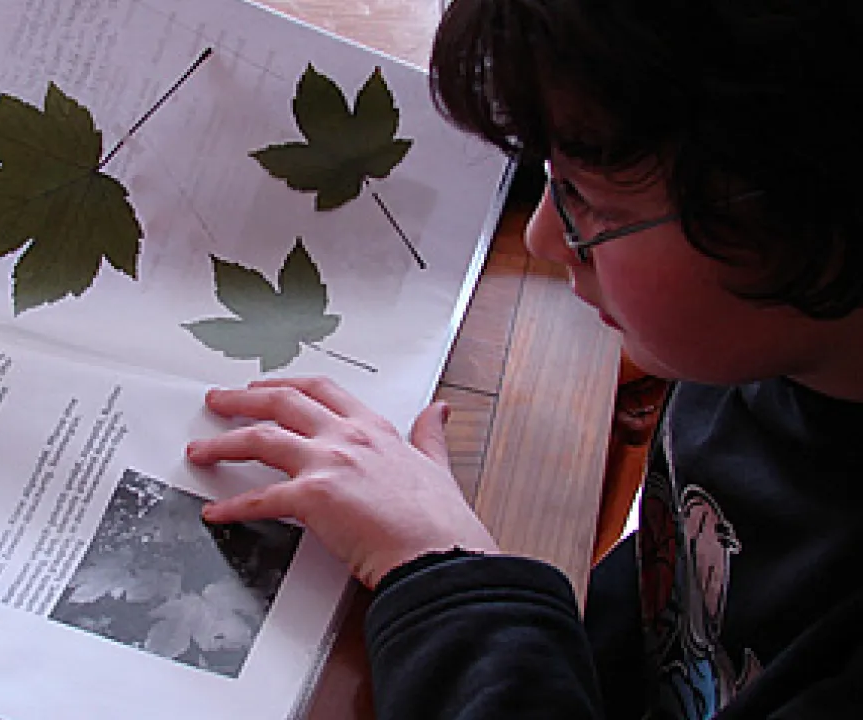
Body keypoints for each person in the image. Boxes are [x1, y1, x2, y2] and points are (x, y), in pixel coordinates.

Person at [185, 0, 863, 717]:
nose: (545, 237)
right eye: (554, 174)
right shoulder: (775, 326)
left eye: (585, 202)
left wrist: (437, 567)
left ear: (803, 201)